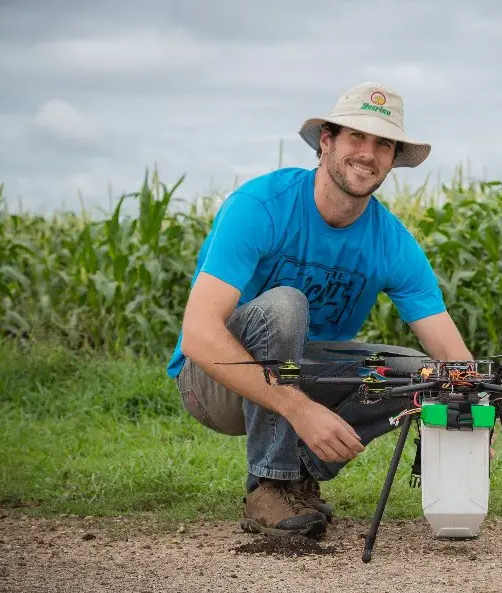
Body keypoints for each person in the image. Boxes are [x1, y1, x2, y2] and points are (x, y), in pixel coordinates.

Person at [166, 82, 475, 538]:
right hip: (212, 383)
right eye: (356, 137)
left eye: (383, 143)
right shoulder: (261, 207)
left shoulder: (391, 242)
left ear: (392, 160)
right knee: (287, 305)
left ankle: (299, 477)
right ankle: (270, 485)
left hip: (303, 375)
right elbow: (197, 334)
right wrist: (298, 408)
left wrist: (474, 402)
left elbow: (451, 354)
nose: (368, 154)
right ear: (326, 142)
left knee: (425, 373)